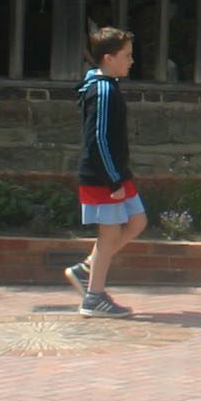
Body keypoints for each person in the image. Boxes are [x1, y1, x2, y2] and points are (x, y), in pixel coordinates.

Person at [66, 25, 143, 320]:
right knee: (109, 234)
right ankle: (94, 297)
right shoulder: (103, 91)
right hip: (103, 177)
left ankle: (87, 269)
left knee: (136, 221)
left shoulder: (103, 83)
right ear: (109, 59)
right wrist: (112, 180)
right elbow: (97, 139)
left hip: (117, 173)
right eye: (127, 55)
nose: (131, 61)